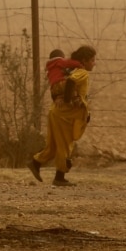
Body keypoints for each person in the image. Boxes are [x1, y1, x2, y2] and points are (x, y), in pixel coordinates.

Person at [28, 45, 96, 187]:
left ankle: (36, 163)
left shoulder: (68, 70)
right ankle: (59, 177)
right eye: (92, 60)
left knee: (53, 146)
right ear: (84, 60)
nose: (94, 63)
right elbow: (71, 82)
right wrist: (68, 101)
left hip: (55, 112)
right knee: (65, 145)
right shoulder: (82, 72)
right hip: (63, 115)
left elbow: (59, 85)